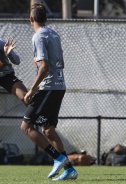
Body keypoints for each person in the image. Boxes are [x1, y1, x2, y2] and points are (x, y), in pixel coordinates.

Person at [20, 4, 78, 180]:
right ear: (45, 18)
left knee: (26, 127)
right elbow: (61, 62)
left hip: (49, 87)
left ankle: (58, 158)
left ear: (31, 19)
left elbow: (44, 67)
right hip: (60, 86)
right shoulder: (54, 34)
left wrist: (31, 90)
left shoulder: (38, 36)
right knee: (48, 130)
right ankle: (69, 170)